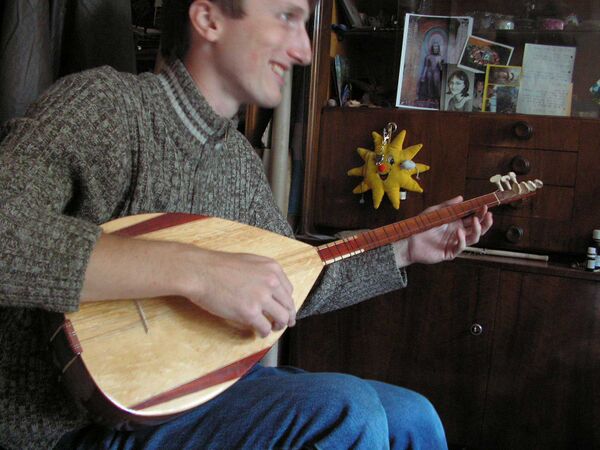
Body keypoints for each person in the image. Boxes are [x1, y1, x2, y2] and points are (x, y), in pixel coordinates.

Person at [0, 0, 493, 448]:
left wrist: (405, 247)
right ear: (209, 18)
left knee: (411, 415)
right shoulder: (105, 106)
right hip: (70, 423)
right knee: (347, 409)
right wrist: (199, 271)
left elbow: (292, 278)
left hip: (188, 389)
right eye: (286, 17)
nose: (304, 50)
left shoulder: (237, 160)